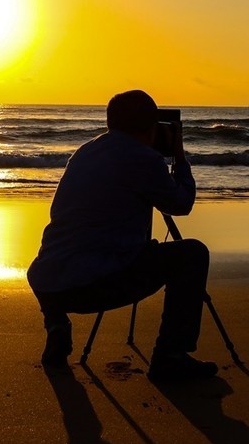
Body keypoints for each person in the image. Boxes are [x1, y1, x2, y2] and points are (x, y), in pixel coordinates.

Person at [27, 89, 217, 381]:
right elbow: (182, 203)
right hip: (97, 284)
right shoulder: (143, 159)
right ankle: (171, 356)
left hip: (49, 285)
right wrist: (179, 157)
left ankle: (56, 324)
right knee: (192, 254)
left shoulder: (84, 152)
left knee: (71, 251)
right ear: (151, 125)